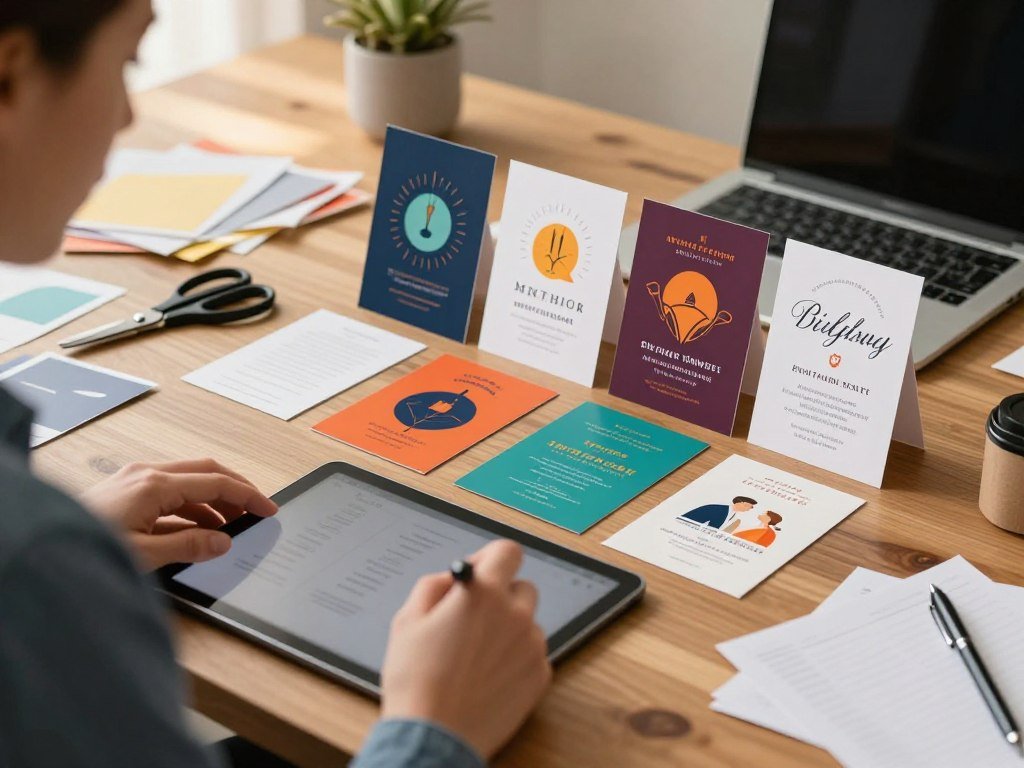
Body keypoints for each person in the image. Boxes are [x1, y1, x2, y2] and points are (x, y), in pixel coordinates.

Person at [0, 2, 551, 767]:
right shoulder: (29, 559)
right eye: (127, 61)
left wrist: (66, 557)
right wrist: (434, 731)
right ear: (11, 72)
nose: (129, 116)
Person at [679, 495, 757, 530]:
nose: (748, 509)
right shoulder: (718, 510)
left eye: (750, 508)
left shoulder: (733, 514)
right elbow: (710, 527)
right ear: (738, 502)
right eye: (746, 505)